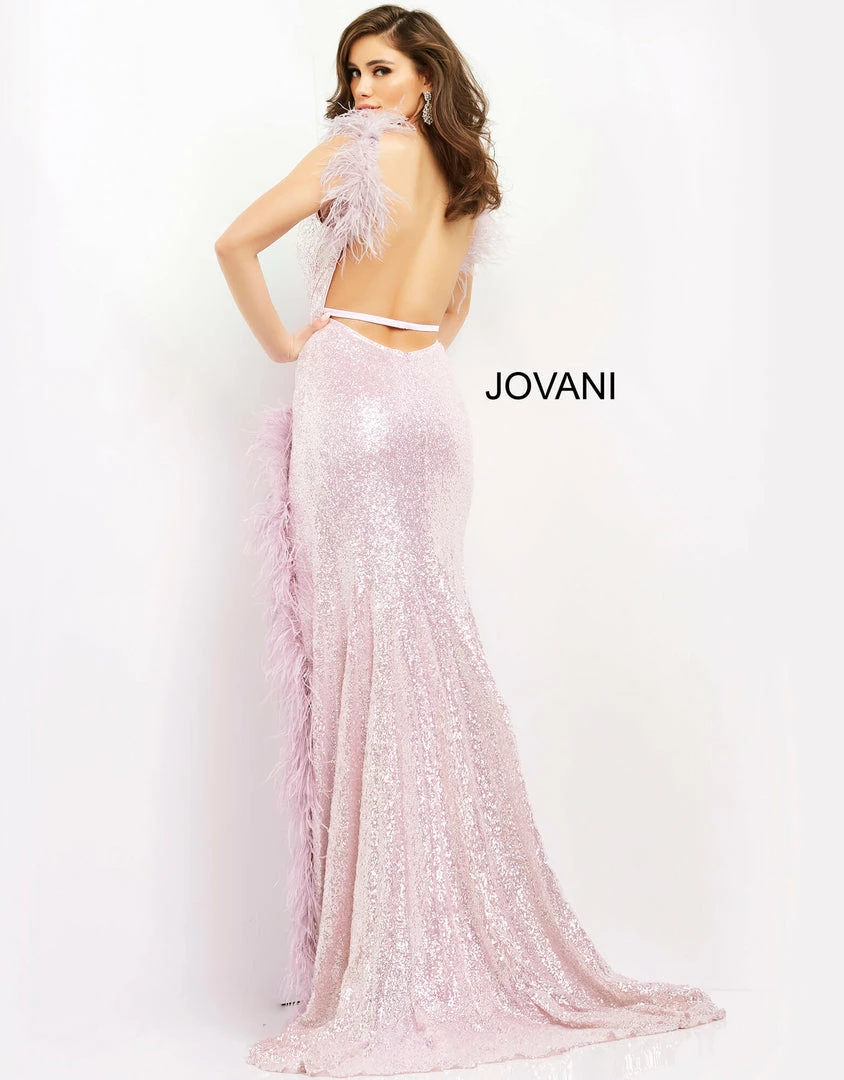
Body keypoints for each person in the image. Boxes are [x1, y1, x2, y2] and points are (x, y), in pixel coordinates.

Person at [215, 6, 726, 1075]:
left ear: (424, 76)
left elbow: (234, 242)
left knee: (365, 650)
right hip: (430, 407)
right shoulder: (468, 178)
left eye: (381, 70)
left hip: (351, 394)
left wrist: (283, 344)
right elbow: (447, 318)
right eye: (354, 72)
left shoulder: (354, 158)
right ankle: (440, 933)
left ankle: (390, 956)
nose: (362, 91)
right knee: (428, 643)